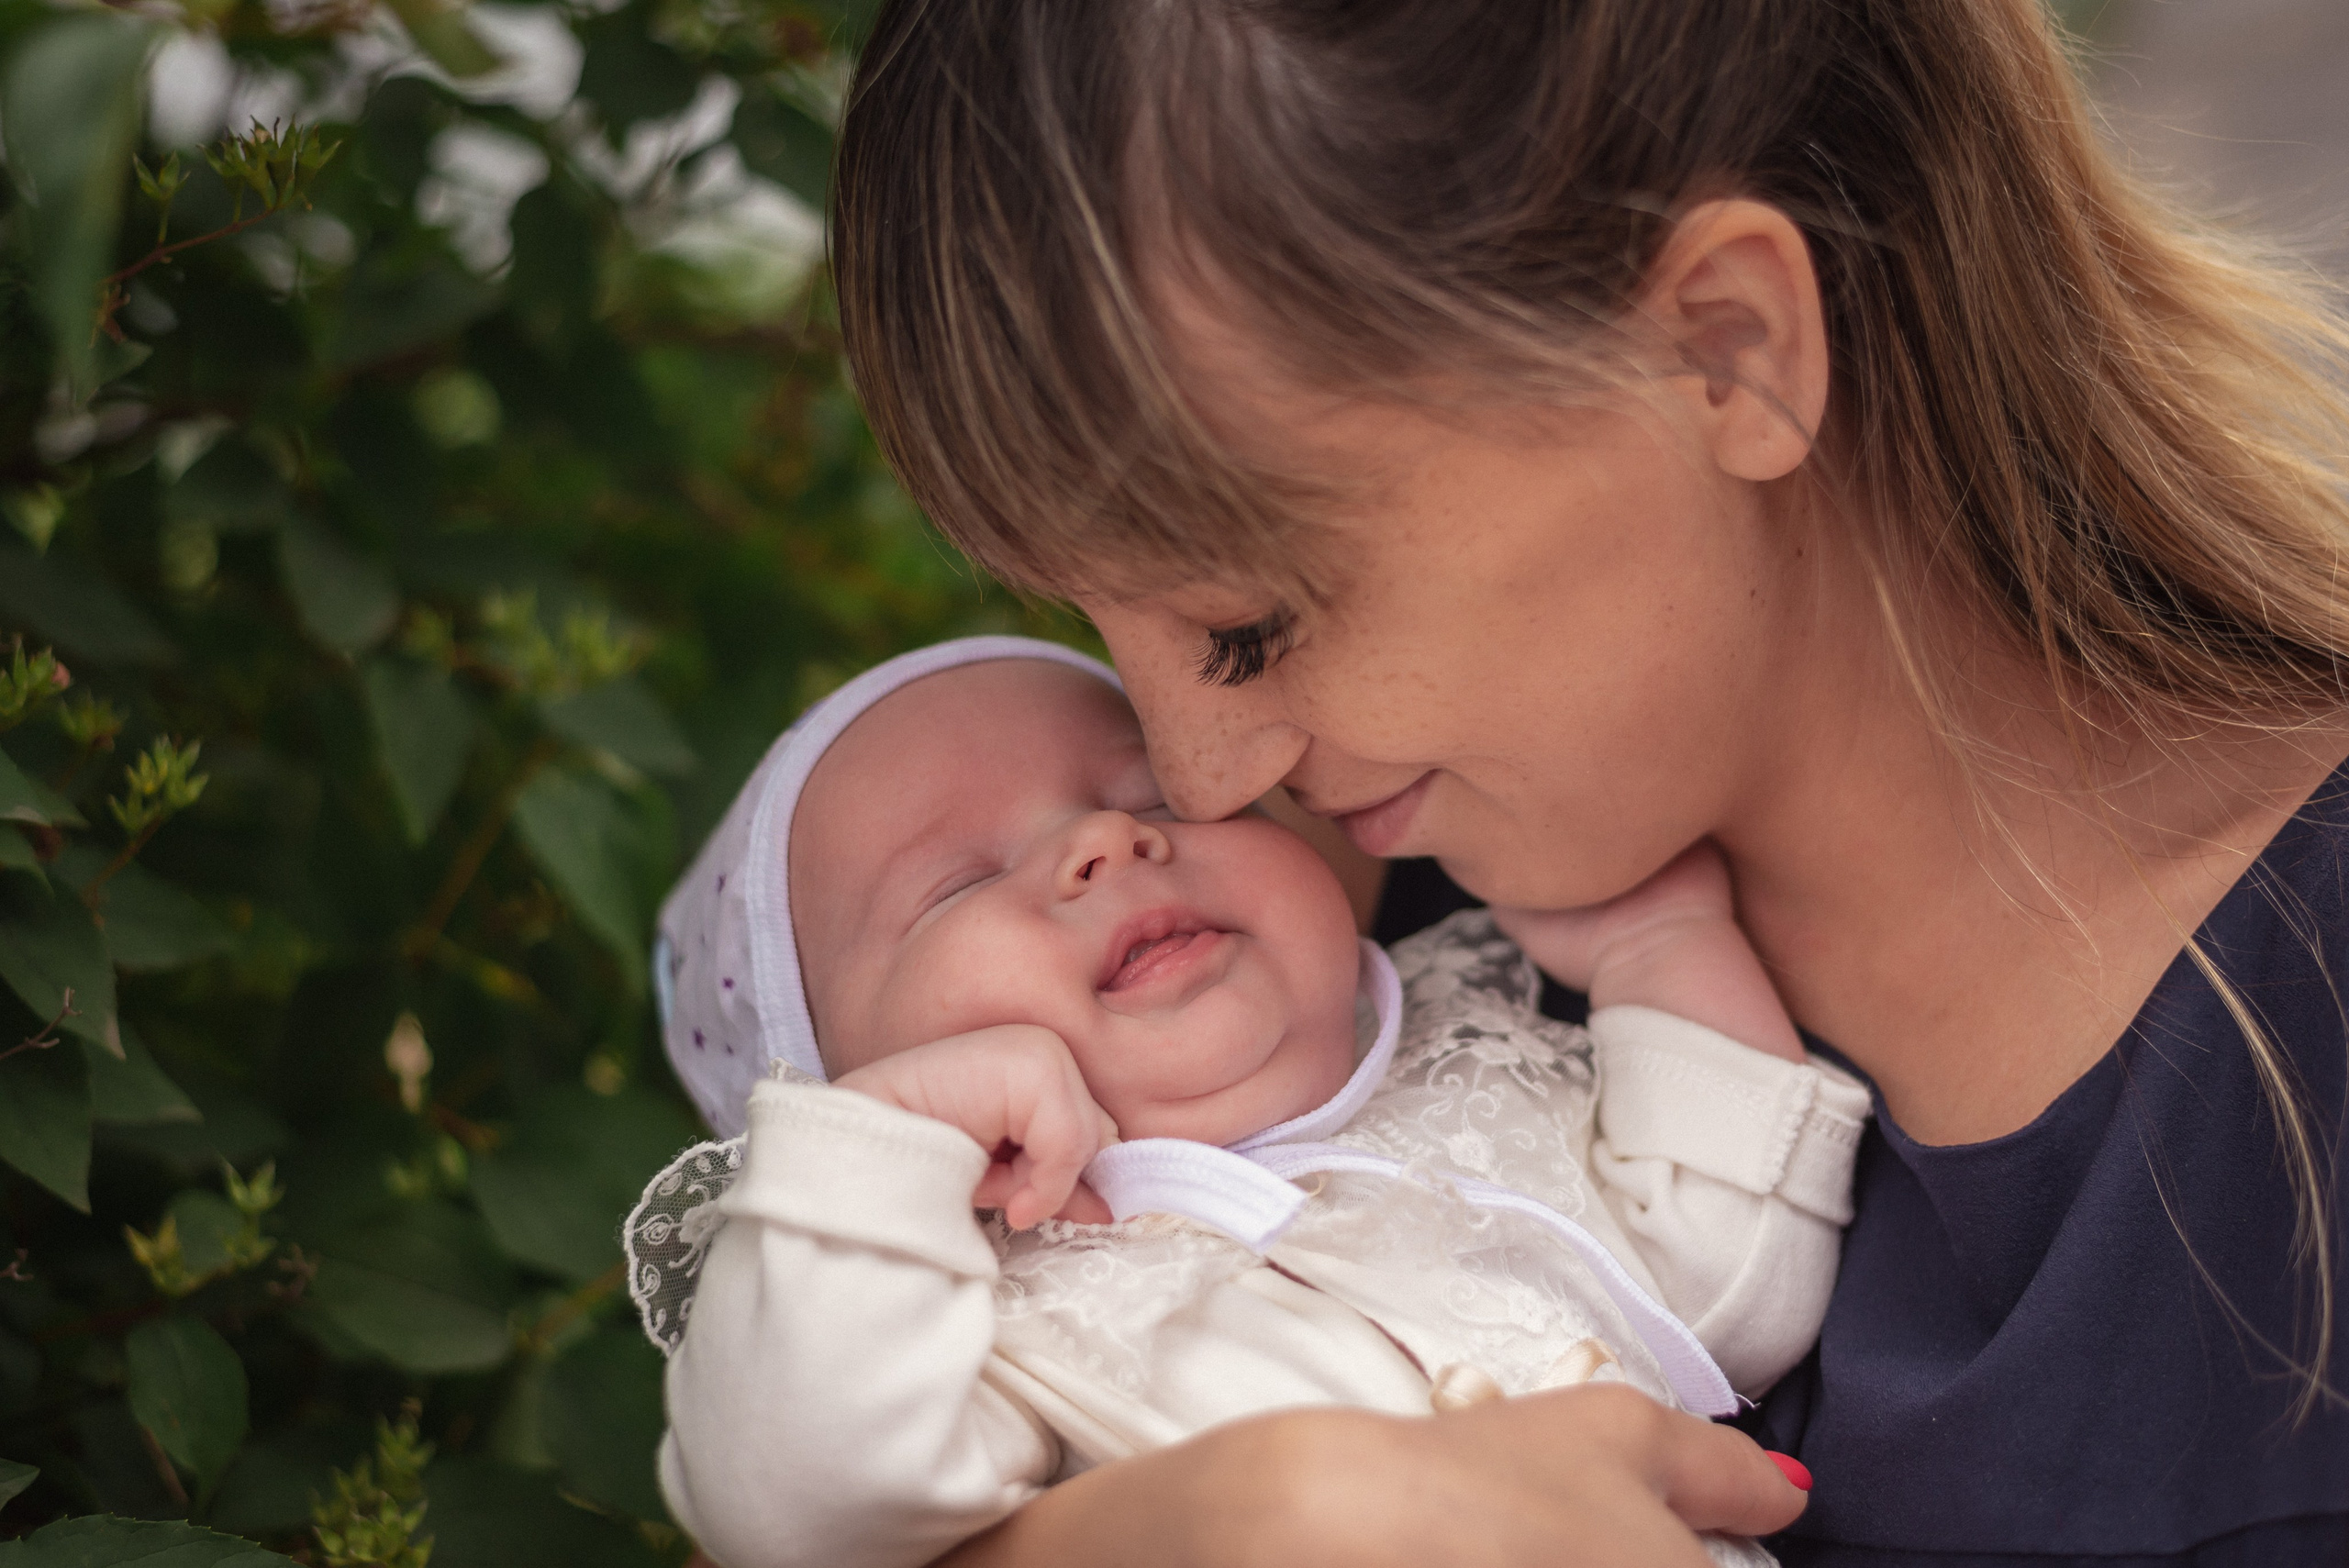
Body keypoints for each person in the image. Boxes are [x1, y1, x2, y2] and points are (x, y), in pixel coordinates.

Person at [817, 0, 2349, 1562]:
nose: (1199, 780)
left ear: (1725, 351)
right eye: (1090, 622)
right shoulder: (1330, 986)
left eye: (1248, 620)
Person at [630, 637, 1860, 1568]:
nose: (1107, 840)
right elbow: (795, 1505)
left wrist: (1662, 950)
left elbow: (1730, 1294)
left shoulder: (1477, 1077)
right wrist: (885, 1159)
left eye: (1156, 796)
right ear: (835, 1090)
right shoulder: (995, 1324)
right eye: (956, 885)